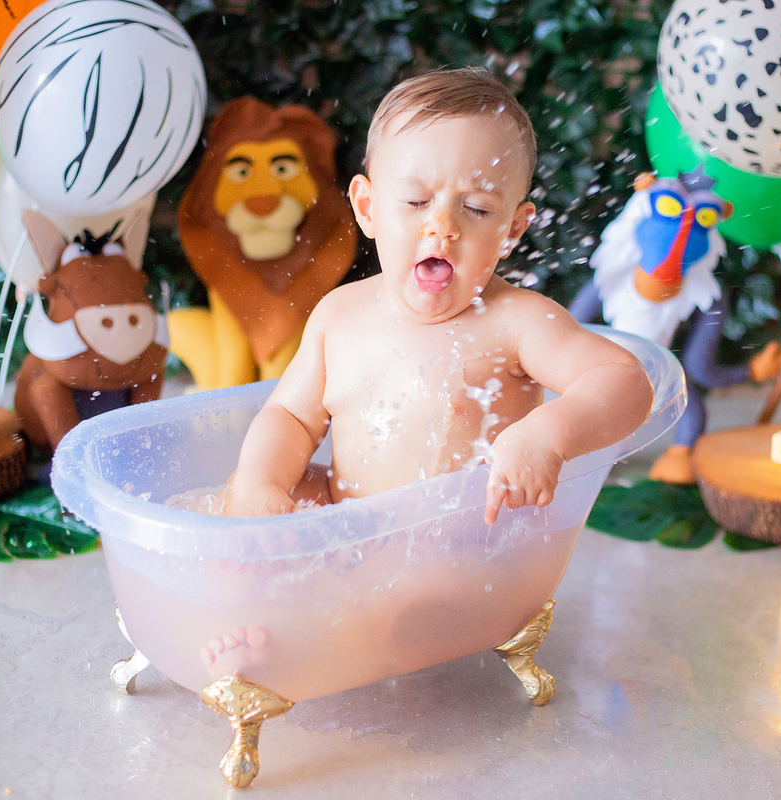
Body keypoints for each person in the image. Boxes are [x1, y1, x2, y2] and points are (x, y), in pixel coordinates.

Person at [224, 67, 654, 525]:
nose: (443, 227)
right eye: (415, 201)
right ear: (368, 209)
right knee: (245, 495)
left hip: (468, 553)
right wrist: (261, 484)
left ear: (511, 230)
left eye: (477, 208)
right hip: (352, 533)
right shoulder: (340, 315)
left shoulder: (516, 322)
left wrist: (546, 437)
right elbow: (290, 416)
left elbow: (625, 381)